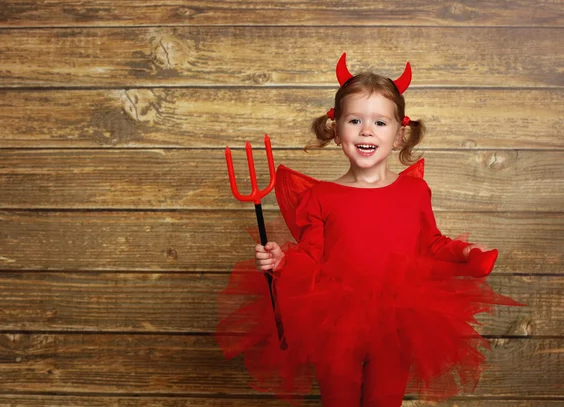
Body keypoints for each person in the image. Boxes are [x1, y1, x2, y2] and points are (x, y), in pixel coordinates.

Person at [216, 53, 523, 407]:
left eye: (379, 122)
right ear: (335, 130)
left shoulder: (414, 191)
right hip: (336, 325)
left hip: (398, 323)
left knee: (384, 400)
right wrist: (283, 261)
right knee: (338, 400)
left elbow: (431, 243)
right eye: (355, 120)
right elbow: (311, 253)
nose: (366, 130)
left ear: (399, 135)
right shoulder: (321, 196)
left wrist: (468, 255)